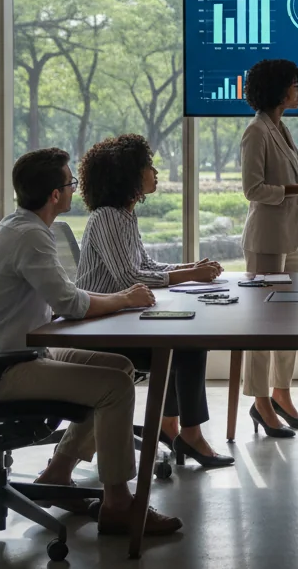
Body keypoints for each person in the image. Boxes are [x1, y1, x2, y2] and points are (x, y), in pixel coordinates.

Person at [0, 147, 181, 536]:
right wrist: (124, 299)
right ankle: (119, 503)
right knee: (114, 387)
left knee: (118, 366)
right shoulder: (30, 236)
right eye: (70, 183)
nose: (76, 189)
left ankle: (57, 472)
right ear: (55, 195)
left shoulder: (23, 227)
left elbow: (64, 297)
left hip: (20, 353)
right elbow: (70, 302)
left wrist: (112, 302)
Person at [76, 133, 233, 470]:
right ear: (128, 175)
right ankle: (187, 434)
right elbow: (128, 279)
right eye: (148, 166)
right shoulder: (106, 217)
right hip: (100, 330)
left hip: (119, 321)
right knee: (188, 346)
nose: (155, 171)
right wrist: (189, 276)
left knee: (184, 343)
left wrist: (191, 268)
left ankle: (170, 426)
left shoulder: (124, 216)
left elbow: (146, 266)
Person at [240, 58, 298, 438]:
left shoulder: (281, 128)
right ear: (279, 89)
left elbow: (284, 187)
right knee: (263, 326)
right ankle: (260, 403)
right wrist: (297, 190)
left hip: (290, 238)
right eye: (296, 83)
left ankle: (281, 394)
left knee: (287, 323)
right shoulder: (256, 132)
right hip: (266, 242)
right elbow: (253, 190)